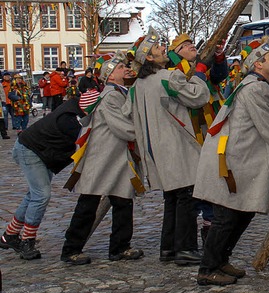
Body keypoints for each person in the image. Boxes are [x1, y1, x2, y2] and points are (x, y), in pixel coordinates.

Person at [194, 36, 269, 286]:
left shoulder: (255, 85)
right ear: (258, 64)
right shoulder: (255, 88)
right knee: (227, 216)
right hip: (232, 161)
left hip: (240, 159)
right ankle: (208, 268)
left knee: (242, 212)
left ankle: (220, 260)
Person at [123, 27, 210, 266]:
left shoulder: (138, 86)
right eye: (158, 47)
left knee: (172, 197)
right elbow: (198, 97)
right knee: (187, 197)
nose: (164, 48)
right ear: (149, 58)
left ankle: (168, 247)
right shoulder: (168, 77)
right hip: (177, 145)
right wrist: (200, 76)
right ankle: (186, 248)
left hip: (155, 148)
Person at [60, 52, 144, 265]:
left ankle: (120, 246)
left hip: (116, 158)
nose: (125, 69)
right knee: (88, 203)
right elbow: (124, 128)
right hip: (103, 158)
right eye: (119, 68)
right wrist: (146, 134)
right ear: (110, 77)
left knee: (123, 202)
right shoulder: (111, 96)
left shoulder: (121, 92)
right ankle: (71, 249)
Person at [0, 84, 91, 260]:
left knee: (33, 195)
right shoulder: (70, 120)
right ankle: (28, 241)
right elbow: (83, 144)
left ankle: (9, 235)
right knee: (41, 195)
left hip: (40, 151)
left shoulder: (75, 111)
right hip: (31, 150)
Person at [166, 32, 228, 246]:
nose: (192, 46)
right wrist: (199, 73)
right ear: (177, 52)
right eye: (186, 45)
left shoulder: (202, 65)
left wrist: (218, 57)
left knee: (213, 173)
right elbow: (189, 94)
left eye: (192, 43)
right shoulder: (173, 72)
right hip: (191, 131)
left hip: (211, 127)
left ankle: (211, 225)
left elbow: (218, 77)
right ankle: (203, 228)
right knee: (198, 181)